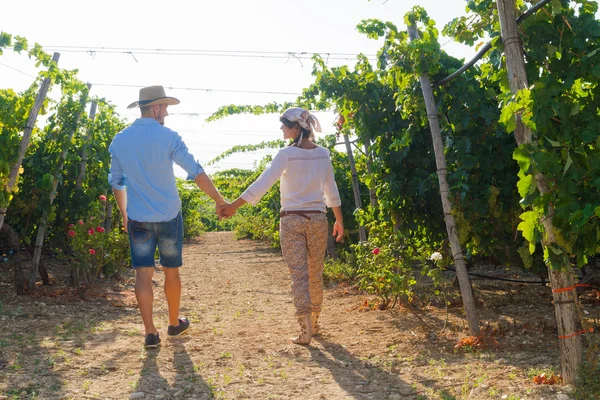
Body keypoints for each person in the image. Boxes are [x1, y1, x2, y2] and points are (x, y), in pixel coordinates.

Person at [109, 85, 227, 349]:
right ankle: (174, 323)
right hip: (169, 215)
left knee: (143, 274)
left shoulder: (120, 140)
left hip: (138, 216)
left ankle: (150, 332)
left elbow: (117, 182)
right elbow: (195, 171)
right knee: (171, 272)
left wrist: (124, 214)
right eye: (165, 108)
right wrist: (219, 200)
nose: (167, 114)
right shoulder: (169, 137)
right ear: (156, 108)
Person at [219, 107, 344, 345]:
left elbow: (262, 183)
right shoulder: (324, 154)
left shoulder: (286, 155)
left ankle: (305, 330)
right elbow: (331, 190)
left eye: (284, 124)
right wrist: (339, 219)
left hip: (291, 220)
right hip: (318, 219)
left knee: (299, 275)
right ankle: (315, 322)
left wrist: (234, 205)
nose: (281, 129)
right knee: (315, 273)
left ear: (296, 128)